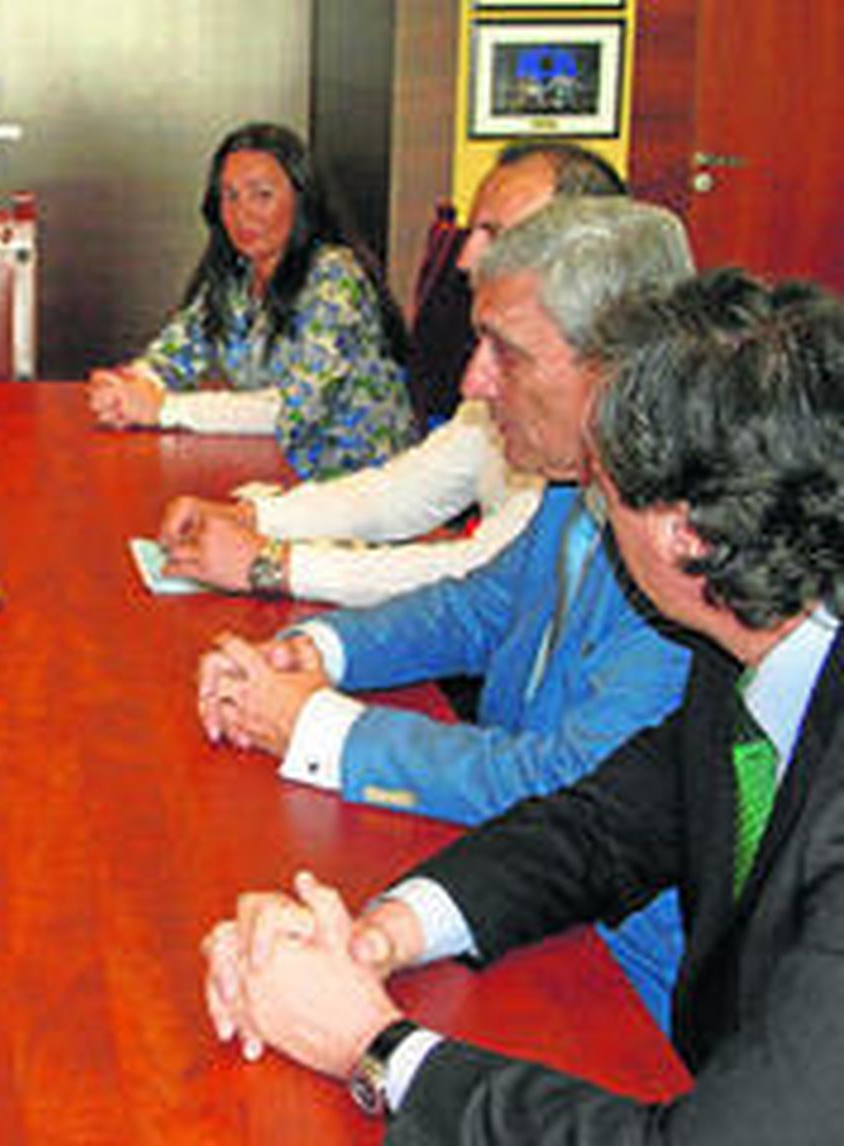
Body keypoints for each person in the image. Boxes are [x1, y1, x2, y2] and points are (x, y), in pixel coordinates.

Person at [201, 270, 844, 1144]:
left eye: (605, 489)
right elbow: (605, 826)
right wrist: (388, 931)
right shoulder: (758, 638)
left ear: (685, 537)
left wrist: (373, 1047)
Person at [196, 197, 693, 1026]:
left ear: (618, 370)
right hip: (488, 891)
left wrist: (316, 729)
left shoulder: (685, 553)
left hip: (609, 983)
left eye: (506, 353)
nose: (472, 381)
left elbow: (570, 786)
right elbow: (473, 609)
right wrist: (310, 652)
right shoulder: (576, 492)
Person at [157, 141, 626, 607]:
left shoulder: (605, 400)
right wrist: (254, 518)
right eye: (229, 196)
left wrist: (272, 564)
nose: (465, 258)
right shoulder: (501, 358)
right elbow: (411, 488)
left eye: (496, 234)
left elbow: (483, 573)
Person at [86, 122, 414, 480]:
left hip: (362, 485)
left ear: (301, 198)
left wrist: (164, 409)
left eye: (262, 195)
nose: (242, 214)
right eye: (230, 196)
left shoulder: (335, 277)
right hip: (281, 469)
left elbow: (293, 410)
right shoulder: (236, 276)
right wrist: (130, 386)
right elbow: (173, 356)